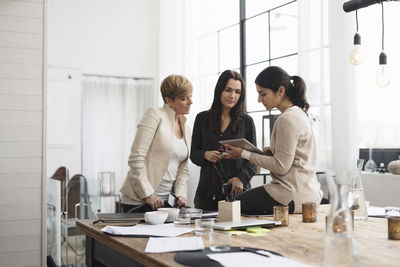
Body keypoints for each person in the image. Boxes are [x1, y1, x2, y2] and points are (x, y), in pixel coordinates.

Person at [225, 66, 323, 214]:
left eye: (263, 94)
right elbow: (295, 159)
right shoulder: (299, 114)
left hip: (290, 194)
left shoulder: (287, 119)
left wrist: (243, 153)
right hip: (309, 192)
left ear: (281, 91)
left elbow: (281, 167)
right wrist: (273, 154)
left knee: (232, 206)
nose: (259, 100)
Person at [119, 74, 193, 213]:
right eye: (184, 98)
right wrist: (148, 194)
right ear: (169, 101)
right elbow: (136, 159)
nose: (190, 102)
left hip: (167, 203)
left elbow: (183, 169)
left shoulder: (186, 128)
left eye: (190, 96)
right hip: (139, 201)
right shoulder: (154, 115)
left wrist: (180, 194)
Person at [190, 70, 257, 211]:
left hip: (237, 195)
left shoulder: (247, 121)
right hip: (207, 195)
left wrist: (241, 179)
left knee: (238, 233)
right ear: (219, 90)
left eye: (237, 92)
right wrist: (205, 155)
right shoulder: (202, 119)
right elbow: (194, 154)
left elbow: (254, 159)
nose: (232, 96)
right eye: (228, 90)